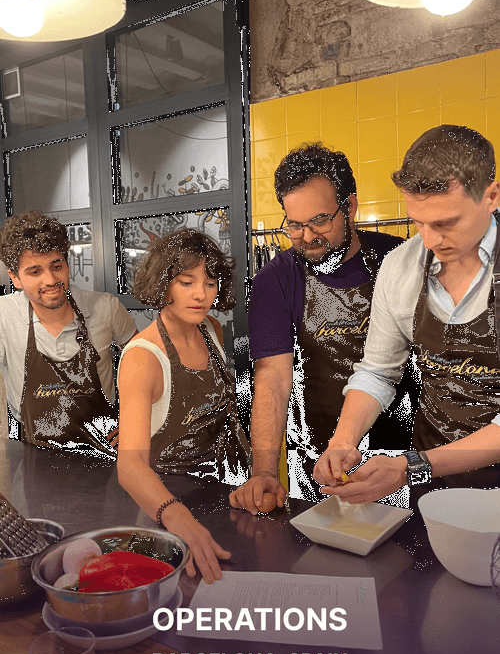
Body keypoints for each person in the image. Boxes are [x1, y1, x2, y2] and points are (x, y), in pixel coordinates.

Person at [313, 125, 500, 503]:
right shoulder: (401, 266)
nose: (429, 241)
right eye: (418, 222)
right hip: (431, 486)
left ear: (491, 195)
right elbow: (378, 371)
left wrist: (411, 465)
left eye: (445, 223)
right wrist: (342, 439)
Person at [229, 143, 411, 515]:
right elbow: (272, 381)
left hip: (402, 461)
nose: (307, 236)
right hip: (320, 468)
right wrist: (263, 470)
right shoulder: (275, 280)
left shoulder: (401, 259)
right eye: (294, 225)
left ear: (351, 207)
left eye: (320, 221)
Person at [117, 228, 251, 583]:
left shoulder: (212, 330)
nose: (200, 295)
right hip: (169, 512)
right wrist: (176, 515)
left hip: (227, 499)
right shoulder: (143, 358)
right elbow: (130, 465)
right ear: (164, 284)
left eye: (209, 283)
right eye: (186, 282)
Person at [0, 211, 137, 458]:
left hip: (106, 459)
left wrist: (135, 420)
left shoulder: (105, 307)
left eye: (57, 266)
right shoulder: (4, 315)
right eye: (35, 272)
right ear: (15, 278)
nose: (51, 280)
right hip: (35, 463)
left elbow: (146, 363)